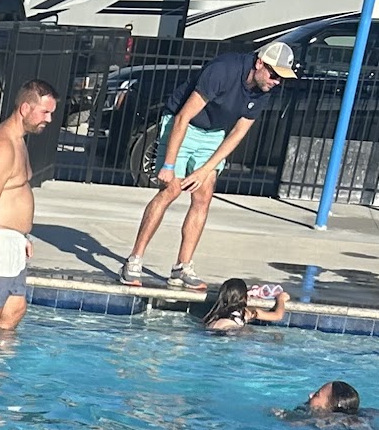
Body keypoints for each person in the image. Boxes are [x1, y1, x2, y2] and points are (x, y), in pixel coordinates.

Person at [118, 41, 295, 290]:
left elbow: (237, 133)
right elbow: (183, 117)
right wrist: (169, 164)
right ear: (259, 63)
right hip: (183, 124)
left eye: (281, 78)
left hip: (213, 134)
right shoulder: (223, 70)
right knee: (171, 190)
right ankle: (134, 261)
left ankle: (182, 267)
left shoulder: (263, 91)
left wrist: (205, 170)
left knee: (203, 195)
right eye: (274, 75)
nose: (276, 82)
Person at [0, 80, 60, 336]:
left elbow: (13, 194)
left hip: (11, 241)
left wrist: (21, 236)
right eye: (45, 112)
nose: (49, 119)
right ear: (25, 108)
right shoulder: (1, 146)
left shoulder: (18, 141)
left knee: (14, 310)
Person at [201, 278, 288, 332]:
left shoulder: (214, 314)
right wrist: (281, 299)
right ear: (243, 297)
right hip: (230, 331)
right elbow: (278, 316)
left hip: (210, 330)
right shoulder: (246, 313)